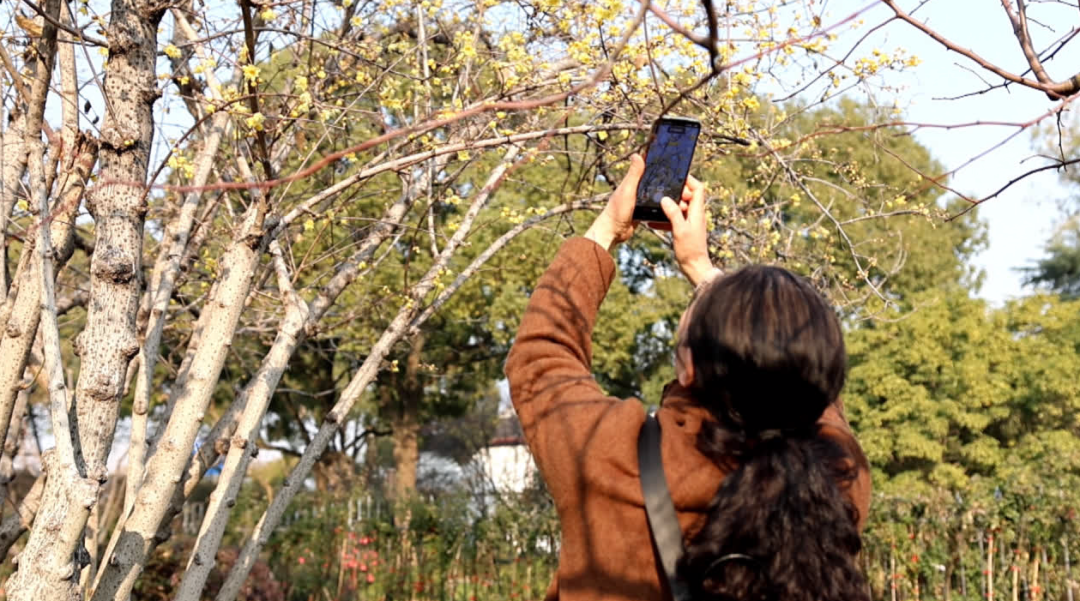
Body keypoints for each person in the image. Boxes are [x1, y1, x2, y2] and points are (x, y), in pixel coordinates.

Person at [504, 154, 872, 601]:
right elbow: (803, 380)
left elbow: (541, 357)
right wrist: (703, 269)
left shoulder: (612, 454)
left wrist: (606, 230)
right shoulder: (837, 475)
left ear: (689, 366)